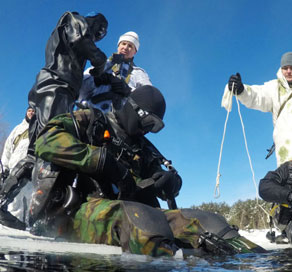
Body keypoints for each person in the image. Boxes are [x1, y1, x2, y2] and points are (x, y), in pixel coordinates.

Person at [28, 85, 264, 257]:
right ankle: (176, 267)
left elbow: (165, 177)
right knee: (143, 218)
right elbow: (46, 140)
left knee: (208, 221)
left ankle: (254, 261)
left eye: (155, 127)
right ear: (133, 109)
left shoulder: (143, 147)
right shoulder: (93, 122)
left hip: (139, 216)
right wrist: (101, 160)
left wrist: (169, 182)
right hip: (83, 212)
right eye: (148, 122)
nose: (148, 130)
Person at [27, 11, 108, 155]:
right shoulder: (74, 20)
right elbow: (81, 40)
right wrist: (100, 60)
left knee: (36, 143)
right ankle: (43, 174)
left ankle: (26, 172)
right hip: (58, 86)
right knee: (51, 137)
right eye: (100, 33)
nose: (97, 38)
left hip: (48, 85)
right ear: (96, 23)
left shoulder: (63, 31)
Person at [78, 31, 152, 113]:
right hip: (90, 113)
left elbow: (149, 98)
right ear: (118, 45)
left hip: (119, 121)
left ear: (135, 52)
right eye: (123, 44)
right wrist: (95, 80)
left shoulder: (138, 73)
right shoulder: (101, 65)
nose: (125, 47)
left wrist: (128, 91)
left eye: (130, 46)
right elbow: (79, 92)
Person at [0, 107, 36, 226]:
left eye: (34, 111)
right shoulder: (18, 129)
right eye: (29, 110)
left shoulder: (40, 128)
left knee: (31, 199)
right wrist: (4, 168)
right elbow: (7, 149)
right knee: (14, 200)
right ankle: (13, 226)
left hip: (31, 170)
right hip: (14, 168)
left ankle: (29, 226)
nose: (31, 113)